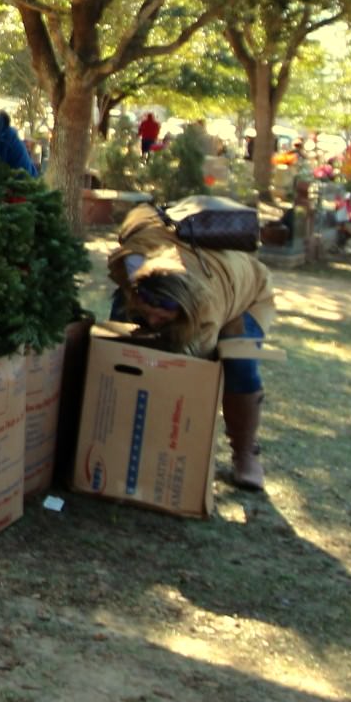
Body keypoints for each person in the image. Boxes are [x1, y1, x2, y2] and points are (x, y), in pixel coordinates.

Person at [109, 199, 278, 490]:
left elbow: (190, 377)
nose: (153, 317)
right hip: (166, 267)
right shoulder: (130, 261)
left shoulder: (205, 312)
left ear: (184, 308)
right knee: (117, 340)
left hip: (246, 297)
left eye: (164, 312)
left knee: (239, 365)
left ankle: (245, 453)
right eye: (147, 307)